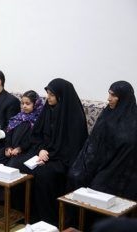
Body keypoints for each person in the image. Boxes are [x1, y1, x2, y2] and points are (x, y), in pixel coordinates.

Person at [12, 78, 88, 226]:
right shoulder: (47, 110)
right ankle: (26, 214)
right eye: (47, 93)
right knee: (22, 168)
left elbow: (72, 147)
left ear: (61, 96)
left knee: (44, 176)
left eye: (52, 94)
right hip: (44, 154)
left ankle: (49, 220)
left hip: (64, 160)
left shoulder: (74, 116)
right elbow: (36, 135)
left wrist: (48, 157)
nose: (48, 97)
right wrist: (41, 150)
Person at [68, 81, 137, 229]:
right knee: (77, 177)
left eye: (113, 95)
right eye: (109, 93)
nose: (108, 98)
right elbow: (92, 146)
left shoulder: (134, 121)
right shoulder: (107, 115)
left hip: (128, 174)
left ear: (124, 98)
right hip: (104, 168)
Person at [0, 90, 43, 200]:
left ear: (35, 104)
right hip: (10, 148)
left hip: (26, 151)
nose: (24, 106)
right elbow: (9, 133)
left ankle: (4, 200)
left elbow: (34, 140)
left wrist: (20, 148)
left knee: (12, 167)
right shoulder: (18, 117)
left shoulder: (38, 120)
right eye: (23, 103)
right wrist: (8, 147)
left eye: (28, 104)